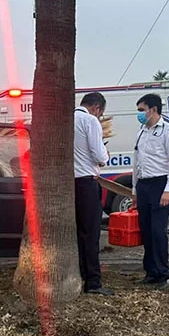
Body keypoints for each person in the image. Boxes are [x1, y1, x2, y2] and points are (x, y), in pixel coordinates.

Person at [132, 93, 169, 288]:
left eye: (142, 110)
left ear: (153, 110)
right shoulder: (142, 132)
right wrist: (135, 190)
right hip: (144, 185)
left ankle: (162, 273)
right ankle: (150, 271)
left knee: (158, 231)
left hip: (160, 185)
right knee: (146, 230)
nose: (140, 115)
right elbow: (137, 163)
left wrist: (168, 189)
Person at [74, 92, 113, 296]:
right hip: (86, 183)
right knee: (91, 234)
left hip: (68, 185)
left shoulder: (67, 119)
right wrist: (106, 156)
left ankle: (79, 276)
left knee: (77, 234)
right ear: (97, 108)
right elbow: (99, 154)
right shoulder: (89, 121)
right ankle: (93, 282)